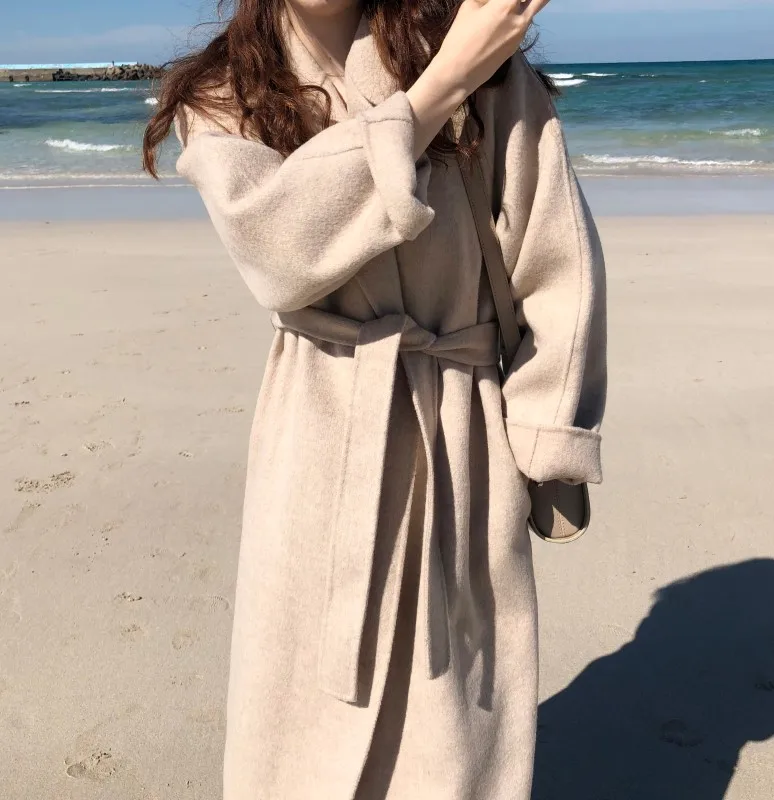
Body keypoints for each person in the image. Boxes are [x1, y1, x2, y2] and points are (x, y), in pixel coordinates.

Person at [142, 0, 607, 797]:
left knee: (455, 711)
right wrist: (439, 87)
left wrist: (549, 427)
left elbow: (553, 247)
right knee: (299, 716)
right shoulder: (220, 91)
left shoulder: (481, 58)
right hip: (318, 424)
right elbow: (279, 250)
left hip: (460, 425)